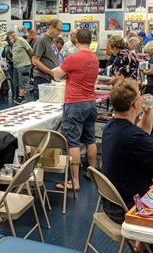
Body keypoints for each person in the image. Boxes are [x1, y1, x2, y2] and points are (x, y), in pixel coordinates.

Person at [102, 78, 153, 224]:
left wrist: (147, 113)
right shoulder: (132, 136)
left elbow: (143, 132)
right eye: (139, 96)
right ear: (136, 103)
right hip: (130, 206)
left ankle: (142, 246)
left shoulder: (112, 126)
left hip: (113, 203)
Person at [52, 29, 99, 191]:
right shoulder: (94, 58)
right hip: (91, 102)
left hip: (75, 103)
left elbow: (57, 75)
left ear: (76, 40)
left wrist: (60, 73)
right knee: (90, 138)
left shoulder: (72, 58)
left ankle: (75, 182)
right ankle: (92, 172)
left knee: (73, 142)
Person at [31, 19, 62, 100]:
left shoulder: (53, 40)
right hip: (42, 78)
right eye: (58, 30)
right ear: (51, 27)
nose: (59, 32)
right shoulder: (41, 39)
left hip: (51, 78)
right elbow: (35, 60)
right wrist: (51, 72)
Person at [8, 31, 33, 104]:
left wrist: (32, 61)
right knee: (17, 82)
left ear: (14, 35)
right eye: (10, 36)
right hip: (17, 65)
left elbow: (30, 50)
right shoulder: (14, 43)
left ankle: (21, 97)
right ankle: (20, 96)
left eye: (12, 36)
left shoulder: (21, 41)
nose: (11, 38)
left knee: (23, 81)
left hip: (24, 64)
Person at [2, 33, 16, 98]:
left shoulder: (6, 47)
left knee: (12, 79)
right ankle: (17, 94)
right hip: (15, 64)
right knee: (16, 79)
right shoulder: (15, 46)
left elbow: (3, 55)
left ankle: (14, 94)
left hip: (10, 64)